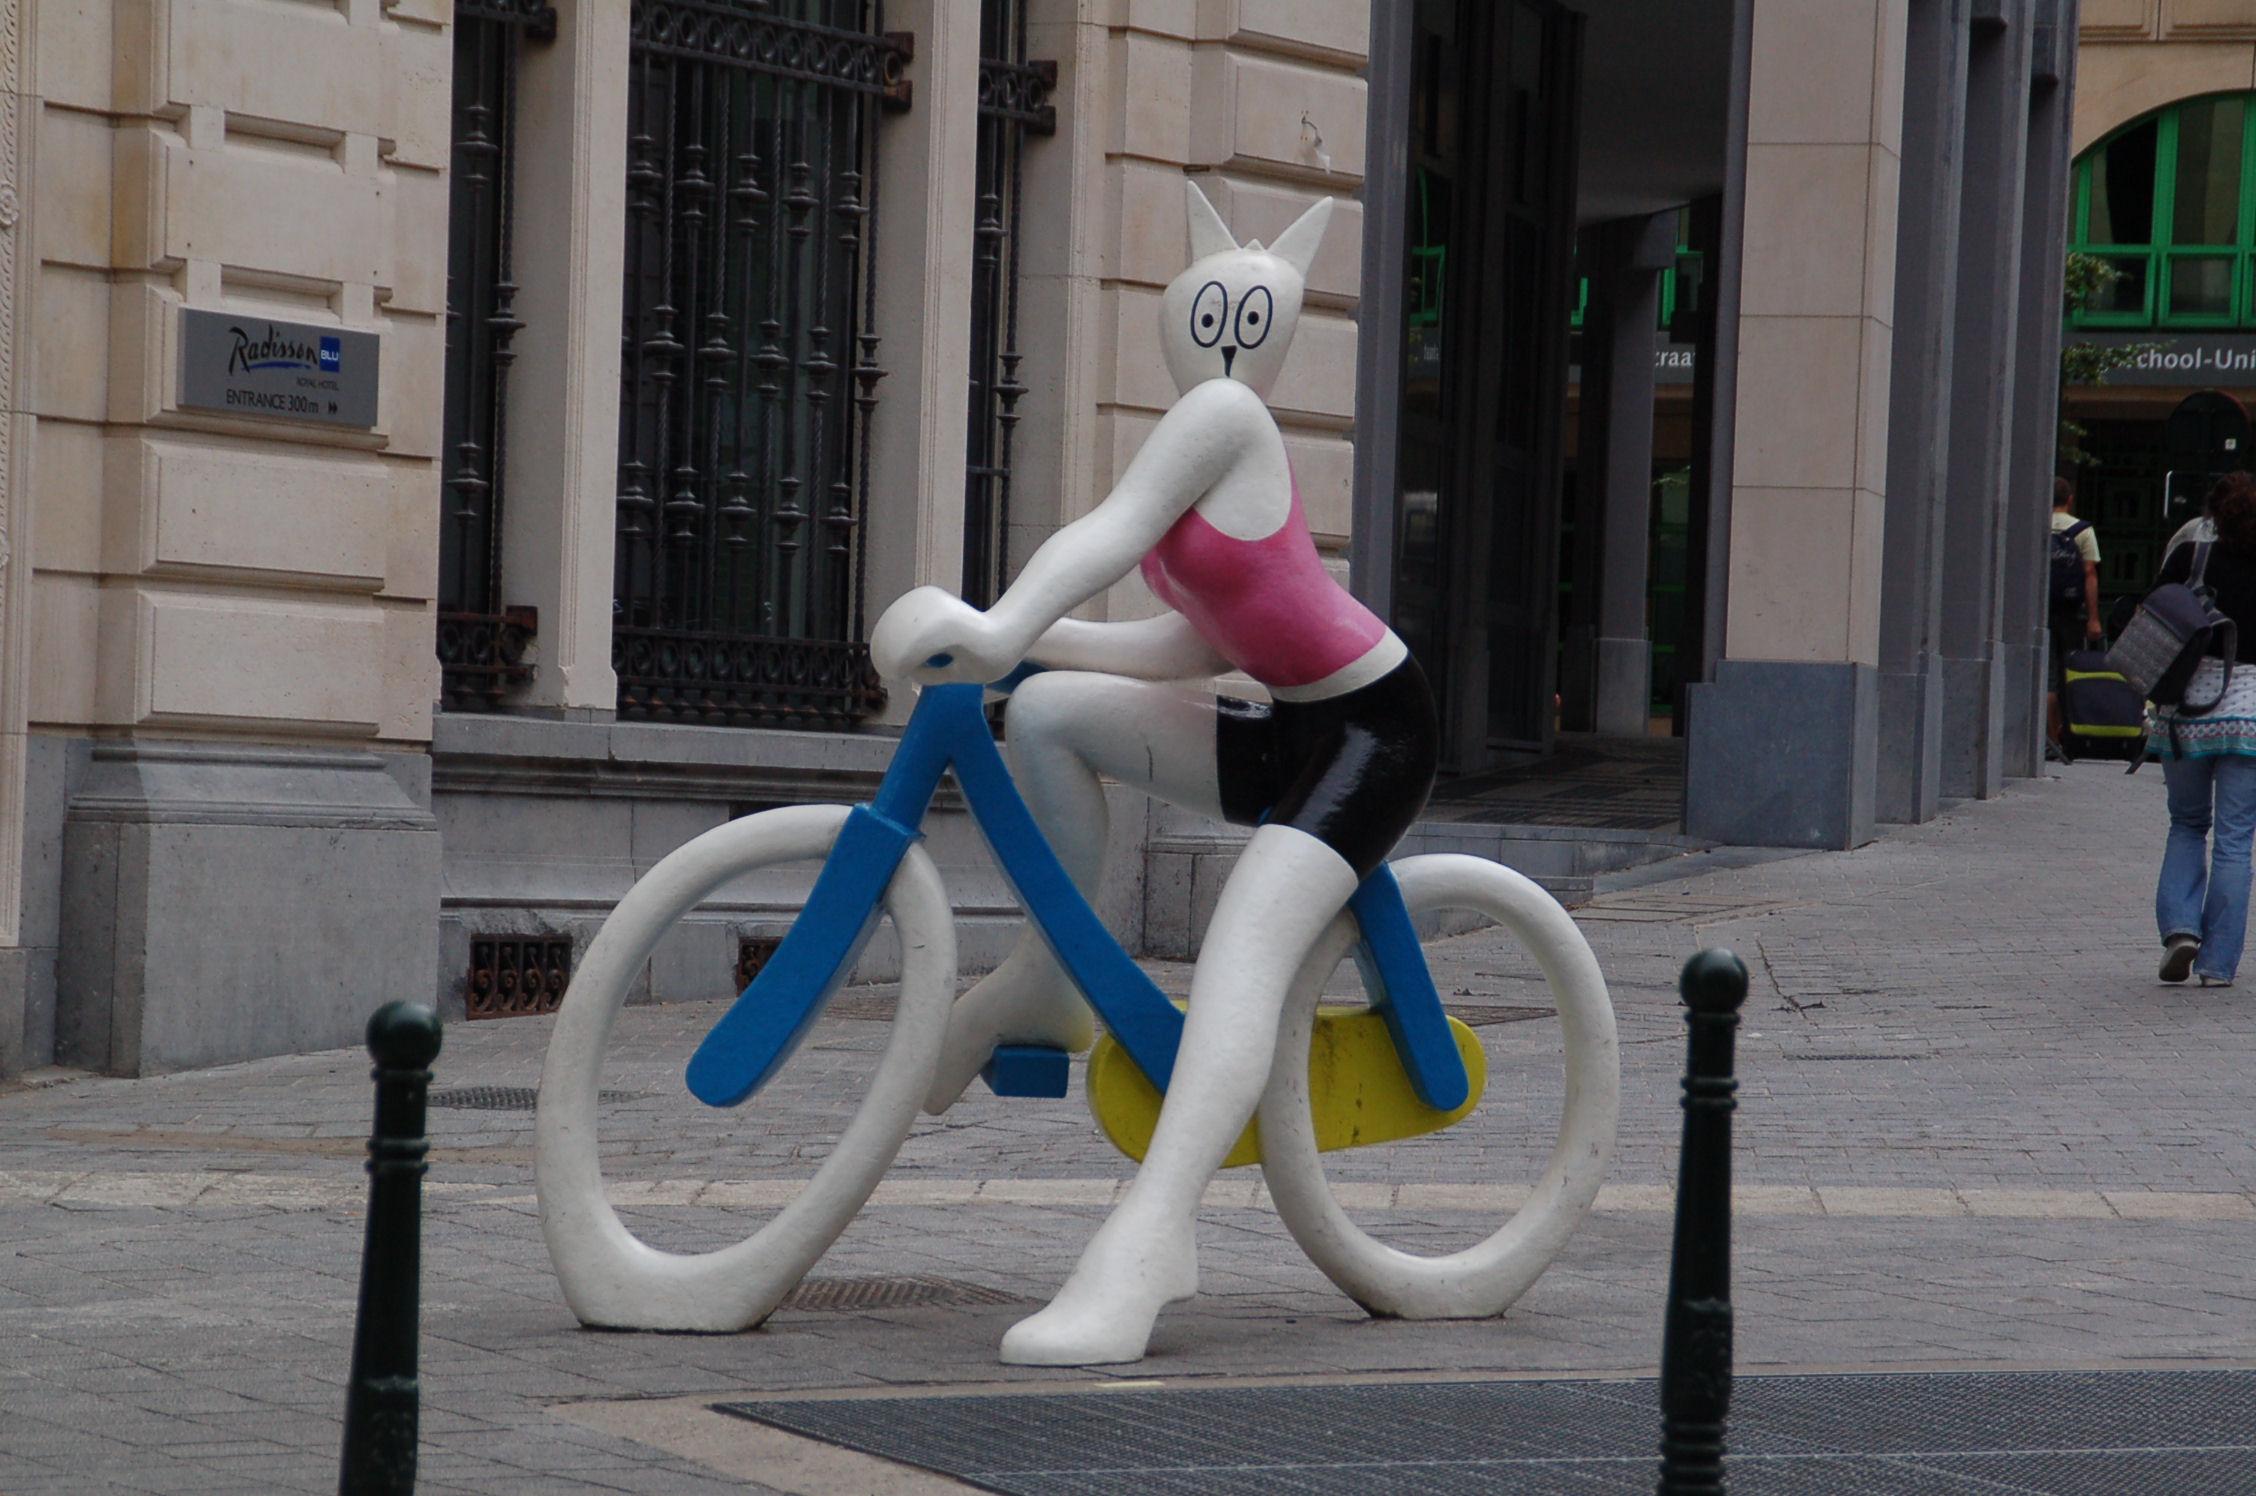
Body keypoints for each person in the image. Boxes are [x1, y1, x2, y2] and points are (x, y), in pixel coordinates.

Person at [873, 186, 1432, 1364]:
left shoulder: (1224, 416)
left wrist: (1004, 622)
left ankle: (1155, 1234)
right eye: (1210, 312)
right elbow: (1196, 646)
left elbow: (1108, 530)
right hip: (1286, 721)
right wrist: (1035, 651)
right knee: (1050, 713)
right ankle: (1048, 979)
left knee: (1242, 951)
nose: (1224, 338)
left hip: (1372, 729)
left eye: (1245, 319)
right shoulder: (1215, 462)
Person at [2149, 469, 2256, 987]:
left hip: (2187, 707)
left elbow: (2155, 612)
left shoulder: (2191, 553)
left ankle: (2180, 930)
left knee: (2187, 823)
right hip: (2252, 715)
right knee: (2236, 839)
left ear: (2213, 509)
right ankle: (2217, 965)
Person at [2047, 477, 2103, 760]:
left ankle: (2047, 739)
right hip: (2069, 613)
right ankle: (2064, 736)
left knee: (2046, 676)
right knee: (2067, 673)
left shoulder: (2037, 525)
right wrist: (2094, 618)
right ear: (2070, 499)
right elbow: (2090, 573)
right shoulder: (2082, 530)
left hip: (2040, 610)